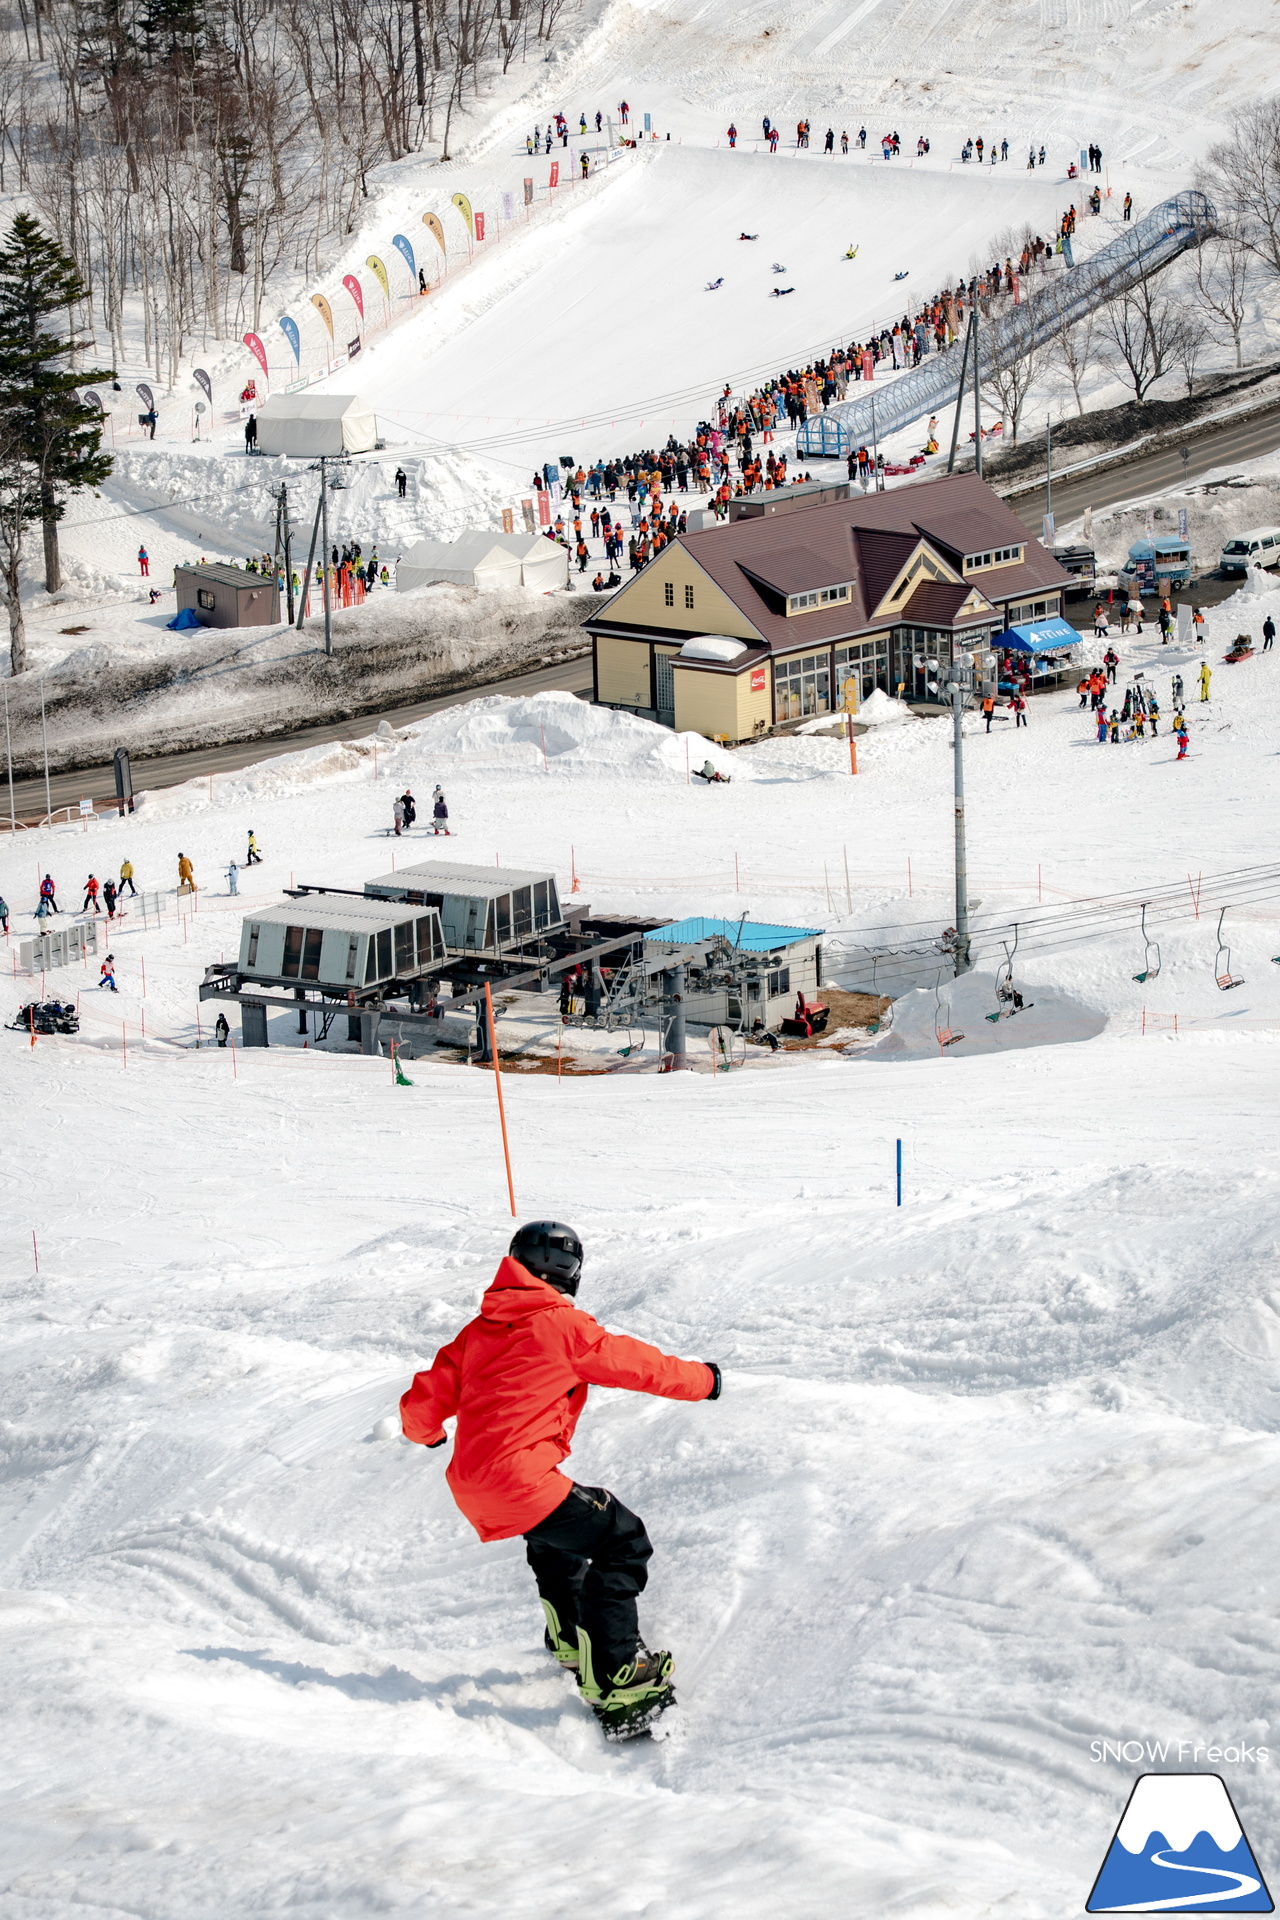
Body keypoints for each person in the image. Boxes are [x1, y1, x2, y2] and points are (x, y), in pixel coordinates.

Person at [399, 1221, 720, 1734]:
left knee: (555, 1536)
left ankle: (571, 1639)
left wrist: (429, 1435)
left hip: (473, 1483)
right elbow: (637, 1364)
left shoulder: (477, 1332)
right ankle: (616, 1676)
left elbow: (424, 1400)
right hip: (518, 1479)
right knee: (622, 1540)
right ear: (571, 1273)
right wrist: (705, 1380)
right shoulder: (563, 1325)